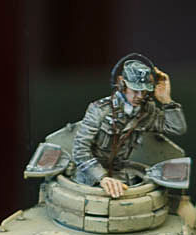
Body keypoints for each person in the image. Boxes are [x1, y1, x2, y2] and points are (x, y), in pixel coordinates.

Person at [72, 56, 187, 198]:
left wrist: (166, 100)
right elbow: (80, 150)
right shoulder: (100, 109)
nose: (140, 96)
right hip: (90, 174)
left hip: (120, 173)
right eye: (135, 90)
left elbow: (177, 128)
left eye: (144, 91)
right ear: (122, 84)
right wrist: (102, 177)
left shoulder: (146, 111)